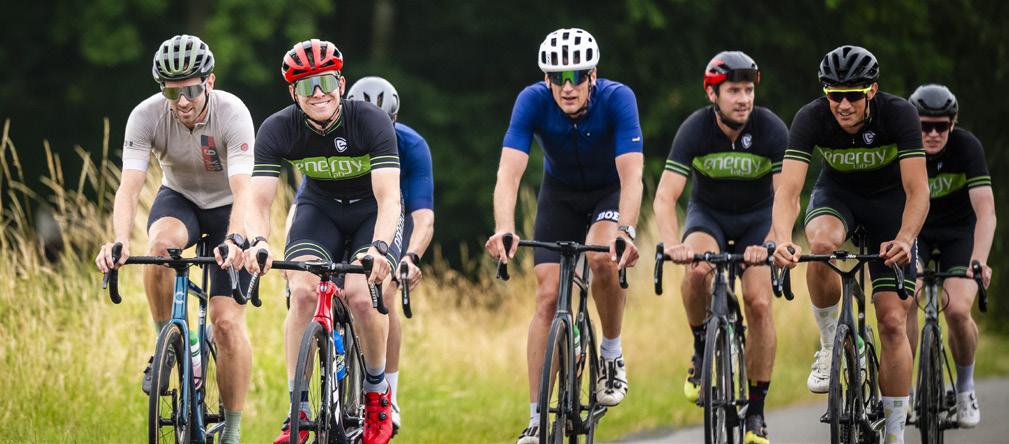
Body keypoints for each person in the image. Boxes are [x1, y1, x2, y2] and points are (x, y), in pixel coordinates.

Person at [483, 28, 643, 444]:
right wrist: (504, 226)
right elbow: (508, 174)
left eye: (576, 76)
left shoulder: (618, 98)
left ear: (593, 76)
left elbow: (632, 176)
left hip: (609, 193)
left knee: (601, 258)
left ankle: (611, 354)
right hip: (560, 196)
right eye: (557, 77)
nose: (567, 87)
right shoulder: (531, 101)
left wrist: (625, 231)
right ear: (546, 79)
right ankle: (538, 419)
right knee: (547, 295)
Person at [94, 34, 255, 444]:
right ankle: (168, 343)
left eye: (191, 90)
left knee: (226, 323)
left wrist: (237, 238)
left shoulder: (233, 112)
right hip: (180, 199)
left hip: (229, 208)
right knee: (159, 248)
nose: (182, 101)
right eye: (171, 91)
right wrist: (118, 240)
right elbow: (129, 187)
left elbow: (244, 190)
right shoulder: (145, 115)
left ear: (210, 82)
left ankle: (232, 430)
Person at [242, 39, 401, 444]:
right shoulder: (277, 128)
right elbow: (258, 200)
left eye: (326, 81)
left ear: (341, 84)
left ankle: (377, 393)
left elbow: (389, 198)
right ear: (293, 93)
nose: (318, 93)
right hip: (320, 209)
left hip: (370, 212)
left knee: (361, 296)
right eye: (306, 85)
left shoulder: (371, 122)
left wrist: (380, 248)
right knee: (302, 292)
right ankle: (298, 409)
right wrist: (259, 241)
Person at [771, 45, 929, 443]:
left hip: (890, 207)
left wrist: (906, 238)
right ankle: (829, 344)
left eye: (853, 95)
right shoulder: (810, 118)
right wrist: (782, 239)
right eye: (834, 95)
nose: (843, 105)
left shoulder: (899, 115)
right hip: (838, 196)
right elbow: (788, 191)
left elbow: (918, 191)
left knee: (892, 321)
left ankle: (895, 434)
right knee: (820, 245)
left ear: (871, 91)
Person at [285, 75, 434, 432]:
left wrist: (410, 257)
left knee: (381, 293)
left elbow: (422, 215)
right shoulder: (333, 140)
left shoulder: (411, 146)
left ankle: (387, 394)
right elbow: (301, 205)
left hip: (385, 219)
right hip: (335, 218)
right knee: (317, 286)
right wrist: (292, 267)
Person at [654, 51, 788, 444]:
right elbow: (664, 197)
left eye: (748, 90)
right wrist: (672, 244)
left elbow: (786, 198)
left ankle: (756, 412)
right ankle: (701, 346)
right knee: (697, 271)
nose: (744, 99)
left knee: (758, 303)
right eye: (734, 91)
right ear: (713, 94)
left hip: (757, 221)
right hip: (708, 216)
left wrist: (772, 242)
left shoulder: (771, 129)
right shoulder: (694, 129)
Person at [905, 84, 994, 428]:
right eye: (924, 126)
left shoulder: (967, 147)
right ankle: (905, 386)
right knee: (905, 299)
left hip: (959, 233)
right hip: (917, 231)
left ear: (952, 124)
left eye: (940, 126)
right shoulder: (903, 148)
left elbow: (986, 211)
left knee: (957, 310)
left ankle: (965, 388)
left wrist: (979, 261)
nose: (932, 134)